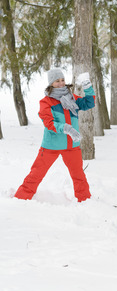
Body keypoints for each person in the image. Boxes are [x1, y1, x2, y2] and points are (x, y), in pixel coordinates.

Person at [14, 68, 95, 202]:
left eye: (62, 80)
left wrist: (87, 86)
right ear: (51, 83)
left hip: (71, 145)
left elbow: (89, 103)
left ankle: (85, 200)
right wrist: (66, 128)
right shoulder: (46, 102)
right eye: (57, 81)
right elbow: (48, 123)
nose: (61, 83)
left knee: (78, 175)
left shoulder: (72, 98)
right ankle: (21, 198)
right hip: (51, 145)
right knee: (37, 173)